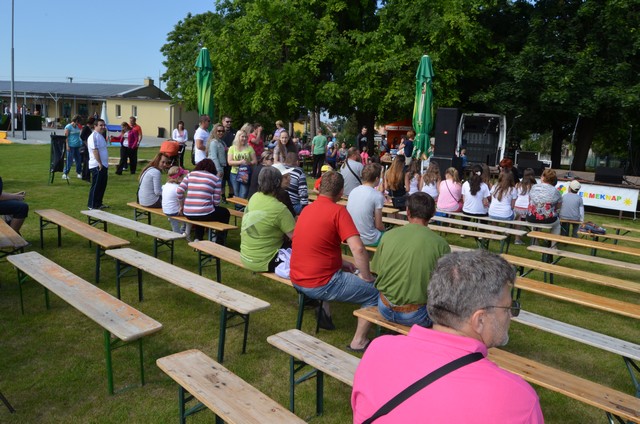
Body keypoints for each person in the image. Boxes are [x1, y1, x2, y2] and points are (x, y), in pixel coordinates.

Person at [352, 250, 544, 423]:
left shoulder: (378, 349)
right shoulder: (519, 400)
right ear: (480, 320)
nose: (510, 315)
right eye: (508, 308)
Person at [290, 171, 378, 352]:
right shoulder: (338, 211)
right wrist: (367, 277)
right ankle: (359, 341)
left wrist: (341, 263)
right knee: (375, 292)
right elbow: (358, 249)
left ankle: (325, 312)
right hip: (320, 282)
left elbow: (317, 246)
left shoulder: (307, 210)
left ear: (320, 188)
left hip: (297, 277)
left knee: (346, 274)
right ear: (341, 192)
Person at [371, 192, 450, 326]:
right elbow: (443, 287)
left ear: (407, 211)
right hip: (415, 315)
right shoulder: (441, 245)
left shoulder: (388, 236)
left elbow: (376, 270)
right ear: (433, 213)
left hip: (384, 306)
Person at [240, 166, 296, 272]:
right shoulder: (279, 208)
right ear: (278, 182)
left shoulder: (254, 197)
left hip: (246, 257)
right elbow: (296, 238)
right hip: (265, 261)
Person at [177, 158, 231, 243]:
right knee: (225, 213)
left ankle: (198, 238)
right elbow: (216, 202)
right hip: (204, 213)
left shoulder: (190, 175)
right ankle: (219, 240)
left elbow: (179, 191)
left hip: (188, 213)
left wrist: (182, 206)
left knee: (202, 213)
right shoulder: (215, 179)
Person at [347, 163, 385, 247]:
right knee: (391, 237)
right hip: (369, 238)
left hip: (352, 235)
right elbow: (379, 225)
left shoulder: (353, 191)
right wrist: (385, 230)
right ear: (377, 179)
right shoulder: (377, 195)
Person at [527, 168, 562, 238]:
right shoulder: (556, 191)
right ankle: (553, 243)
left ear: (543, 177)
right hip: (548, 220)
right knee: (557, 224)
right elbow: (558, 207)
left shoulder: (533, 187)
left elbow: (529, 201)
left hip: (531, 218)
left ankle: (535, 241)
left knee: (535, 218)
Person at [227, 129, 257, 201]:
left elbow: (255, 161)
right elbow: (229, 162)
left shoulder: (249, 148)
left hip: (245, 173)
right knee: (236, 192)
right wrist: (240, 162)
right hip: (234, 173)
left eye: (246, 137)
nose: (244, 138)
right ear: (238, 137)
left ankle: (240, 207)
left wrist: (248, 163)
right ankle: (238, 207)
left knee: (243, 193)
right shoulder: (232, 148)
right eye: (242, 136)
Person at [87, 119, 109, 210]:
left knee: (102, 185)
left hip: (104, 165)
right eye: (101, 125)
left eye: (104, 125)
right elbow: (95, 151)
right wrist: (99, 163)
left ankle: (98, 203)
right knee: (96, 186)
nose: (103, 127)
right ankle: (91, 205)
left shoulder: (100, 135)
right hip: (97, 165)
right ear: (95, 126)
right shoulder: (93, 136)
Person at [162, 166, 190, 235]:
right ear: (179, 178)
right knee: (190, 213)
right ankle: (184, 231)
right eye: (183, 176)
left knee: (174, 222)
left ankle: (178, 230)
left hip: (166, 209)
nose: (184, 177)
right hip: (173, 211)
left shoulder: (166, 185)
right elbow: (182, 202)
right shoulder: (178, 188)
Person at [513, 168, 536, 245]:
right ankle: (534, 239)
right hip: (527, 208)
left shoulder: (518, 184)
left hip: (517, 206)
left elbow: (515, 196)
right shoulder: (533, 186)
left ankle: (517, 238)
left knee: (518, 220)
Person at [63, 115, 83, 179]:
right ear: (76, 121)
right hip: (71, 146)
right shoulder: (68, 127)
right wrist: (67, 146)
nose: (79, 123)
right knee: (69, 160)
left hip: (77, 146)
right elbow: (66, 137)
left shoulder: (77, 127)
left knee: (78, 160)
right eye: (78, 122)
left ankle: (79, 173)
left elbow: (78, 136)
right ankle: (65, 173)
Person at [221, 115, 237, 198]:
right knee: (223, 179)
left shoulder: (235, 132)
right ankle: (223, 196)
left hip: (232, 159)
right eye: (227, 122)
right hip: (222, 158)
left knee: (231, 179)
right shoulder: (220, 132)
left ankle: (231, 195)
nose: (229, 123)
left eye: (231, 122)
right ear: (223, 122)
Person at [79, 117, 93, 182]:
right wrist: (86, 143)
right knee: (87, 161)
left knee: (86, 162)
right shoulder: (86, 128)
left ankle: (84, 175)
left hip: (87, 146)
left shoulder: (88, 128)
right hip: (86, 147)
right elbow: (82, 136)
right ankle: (87, 176)